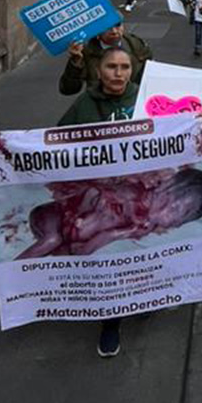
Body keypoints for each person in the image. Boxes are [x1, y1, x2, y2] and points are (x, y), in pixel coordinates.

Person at [57, 46, 138, 358]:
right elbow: (57, 141)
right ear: (99, 70)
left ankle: (148, 298)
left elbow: (175, 130)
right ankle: (111, 322)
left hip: (137, 196)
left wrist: (194, 118)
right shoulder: (85, 104)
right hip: (100, 200)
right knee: (109, 258)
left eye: (124, 67)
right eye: (111, 67)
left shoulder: (143, 98)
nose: (118, 74)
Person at [59, 20, 152, 96]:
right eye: (107, 27)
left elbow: (149, 74)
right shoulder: (85, 52)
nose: (114, 31)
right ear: (97, 30)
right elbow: (68, 89)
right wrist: (75, 63)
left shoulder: (136, 44)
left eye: (117, 25)